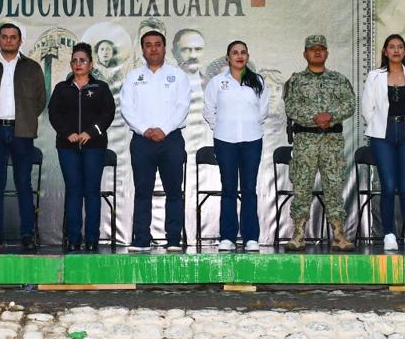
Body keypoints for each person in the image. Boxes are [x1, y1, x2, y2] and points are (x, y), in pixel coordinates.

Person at [0, 23, 47, 251]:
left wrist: (24, 118)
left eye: (13, 37)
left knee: (23, 184)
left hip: (22, 132)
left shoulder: (33, 68)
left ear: (20, 41)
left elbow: (40, 101)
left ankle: (28, 235)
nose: (8, 41)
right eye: (4, 37)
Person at [284, 34, 356, 252]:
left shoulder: (339, 79)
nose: (317, 52)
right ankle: (298, 234)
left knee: (334, 188)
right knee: (302, 188)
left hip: (331, 142)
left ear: (327, 53)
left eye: (321, 48)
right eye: (312, 49)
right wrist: (315, 117)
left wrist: (330, 115)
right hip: (305, 141)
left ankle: (339, 234)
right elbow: (291, 107)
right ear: (305, 54)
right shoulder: (296, 80)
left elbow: (350, 104)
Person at [121, 30, 191, 253]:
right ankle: (141, 239)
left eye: (158, 44)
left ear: (164, 47)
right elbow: (127, 108)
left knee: (173, 192)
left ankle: (173, 240)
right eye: (148, 45)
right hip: (142, 141)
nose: (153, 49)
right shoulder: (133, 77)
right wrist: (145, 130)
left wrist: (164, 129)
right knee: (143, 192)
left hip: (171, 140)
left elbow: (183, 106)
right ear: (142, 50)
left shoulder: (178, 75)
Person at [205, 41, 270, 252]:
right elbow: (209, 111)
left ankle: (251, 237)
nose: (239, 56)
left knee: (249, 189)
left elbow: (263, 111)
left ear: (247, 56)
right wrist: (223, 127)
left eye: (243, 53)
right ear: (228, 58)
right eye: (234, 53)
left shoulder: (257, 81)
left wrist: (247, 126)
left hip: (252, 140)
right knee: (229, 189)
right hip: (225, 141)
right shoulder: (217, 82)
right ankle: (228, 237)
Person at [49, 43, 115, 252]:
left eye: (83, 60)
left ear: (91, 64)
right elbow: (54, 114)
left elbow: (108, 114)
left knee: (91, 191)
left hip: (94, 146)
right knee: (74, 191)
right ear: (71, 64)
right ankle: (74, 238)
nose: (78, 64)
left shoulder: (101, 88)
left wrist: (91, 132)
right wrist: (68, 133)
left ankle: (92, 238)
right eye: (75, 61)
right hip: (67, 146)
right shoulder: (61, 88)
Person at [361, 33, 405, 252]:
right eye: (392, 47)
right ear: (385, 52)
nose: (396, 50)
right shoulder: (374, 76)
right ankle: (388, 233)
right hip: (382, 135)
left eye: (400, 47)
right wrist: (378, 126)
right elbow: (367, 108)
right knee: (388, 187)